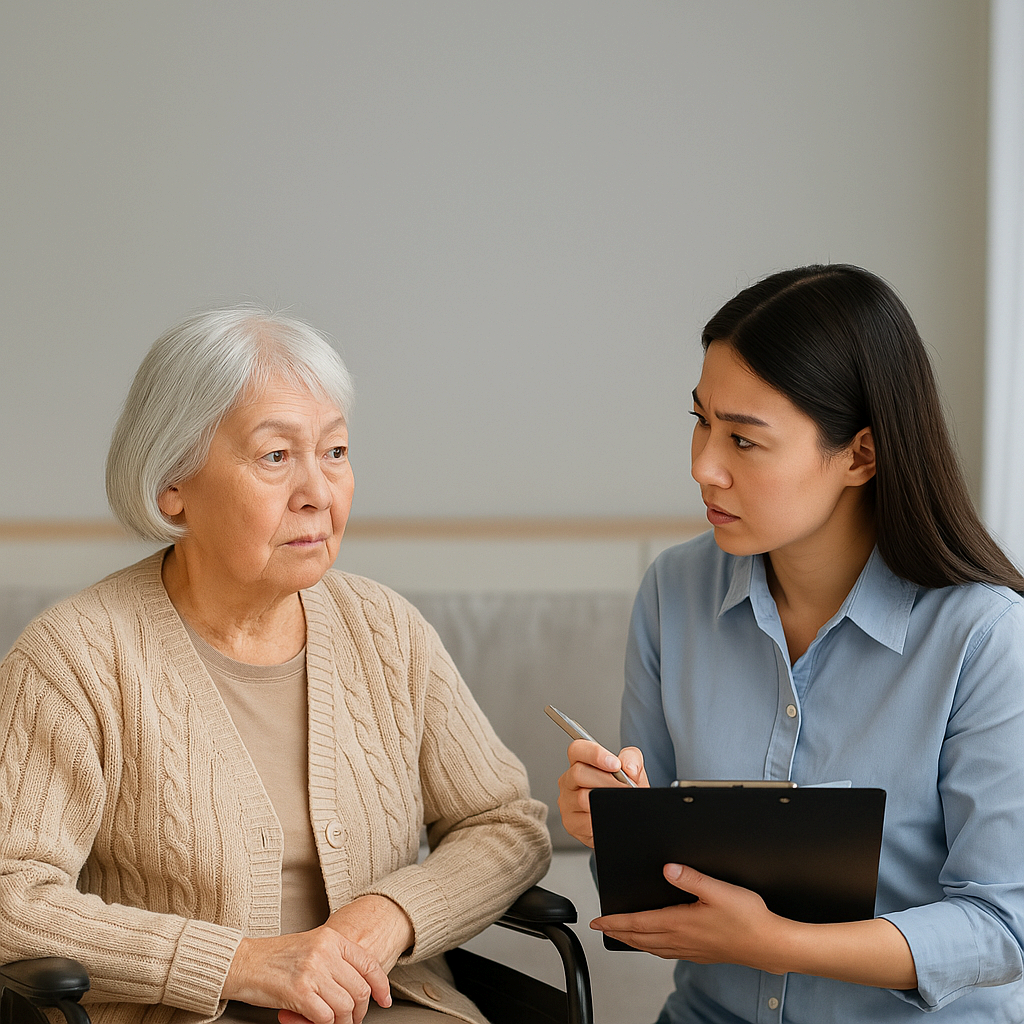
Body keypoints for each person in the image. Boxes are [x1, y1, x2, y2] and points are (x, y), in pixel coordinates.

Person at [0, 306, 551, 1024]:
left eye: (335, 452)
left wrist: (386, 918)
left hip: (390, 1007)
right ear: (173, 484)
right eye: (275, 456)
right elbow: (13, 895)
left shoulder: (385, 630)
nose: (318, 493)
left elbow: (506, 823)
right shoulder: (73, 658)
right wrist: (242, 964)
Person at [557, 264, 1024, 1022]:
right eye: (701, 420)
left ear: (860, 455)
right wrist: (610, 819)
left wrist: (778, 942)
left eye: (743, 438)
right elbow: (655, 903)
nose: (702, 465)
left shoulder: (984, 637)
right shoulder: (673, 594)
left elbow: (1003, 927)